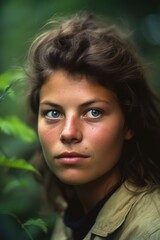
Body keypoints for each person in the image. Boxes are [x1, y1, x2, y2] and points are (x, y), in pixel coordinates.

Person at [26, 13, 160, 240]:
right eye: (53, 113)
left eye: (93, 112)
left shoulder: (151, 230)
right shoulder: (70, 212)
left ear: (129, 124)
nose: (69, 133)